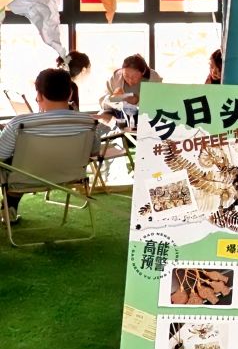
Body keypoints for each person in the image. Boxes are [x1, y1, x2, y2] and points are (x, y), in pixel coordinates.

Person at [0, 68, 103, 224]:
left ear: (39, 95)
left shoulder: (19, 123)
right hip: (70, 176)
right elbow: (94, 152)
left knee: (11, 164)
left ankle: (9, 207)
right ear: (70, 94)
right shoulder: (90, 122)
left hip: (24, 179)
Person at [101, 54, 162, 122]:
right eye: (126, 76)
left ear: (143, 72)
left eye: (134, 77)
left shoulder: (153, 78)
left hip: (146, 120)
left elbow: (159, 104)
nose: (130, 80)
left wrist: (138, 101)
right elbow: (102, 101)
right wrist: (113, 98)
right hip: (119, 119)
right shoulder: (115, 77)